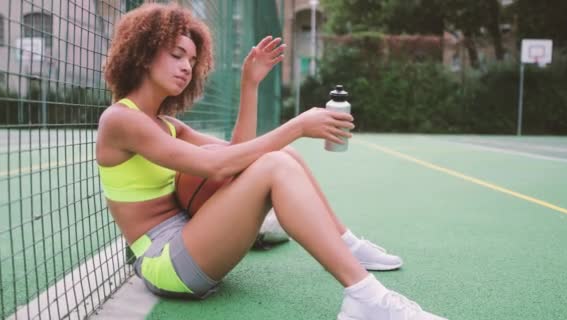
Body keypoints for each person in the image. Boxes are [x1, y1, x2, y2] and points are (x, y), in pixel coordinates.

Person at [96, 3, 445, 319]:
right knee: (275, 163)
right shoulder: (120, 120)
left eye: (191, 59)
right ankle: (366, 297)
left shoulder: (168, 125)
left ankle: (350, 247)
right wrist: (297, 126)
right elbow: (216, 168)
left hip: (192, 240)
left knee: (278, 156)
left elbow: (239, 155)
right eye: (176, 55)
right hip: (165, 262)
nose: (186, 66)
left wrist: (250, 85)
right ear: (143, 54)